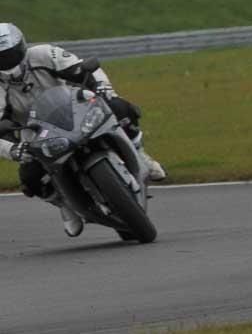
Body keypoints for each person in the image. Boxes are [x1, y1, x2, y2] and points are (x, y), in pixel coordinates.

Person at [0, 23, 166, 236]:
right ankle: (64, 204)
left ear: (21, 46)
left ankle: (141, 155)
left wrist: (105, 90)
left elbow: (86, 68)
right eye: (0, 57)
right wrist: (12, 150)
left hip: (74, 108)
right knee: (30, 177)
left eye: (9, 54)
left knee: (120, 107)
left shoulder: (44, 54)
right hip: (35, 131)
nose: (7, 62)